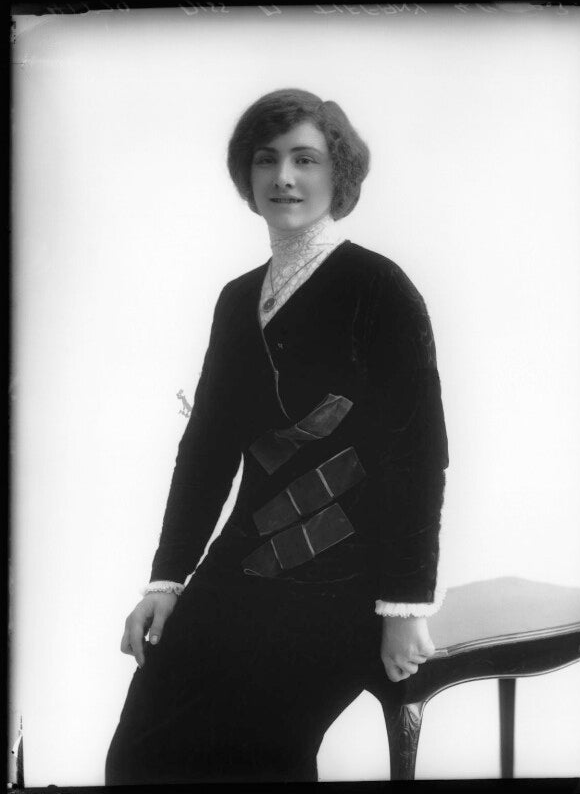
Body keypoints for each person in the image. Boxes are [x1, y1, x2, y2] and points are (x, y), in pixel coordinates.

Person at [105, 88, 449, 784]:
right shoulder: (238, 299)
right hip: (241, 570)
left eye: (305, 159)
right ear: (248, 174)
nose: (283, 177)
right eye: (266, 159)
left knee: (256, 751)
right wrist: (168, 579)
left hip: (347, 587)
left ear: (337, 173)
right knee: (141, 750)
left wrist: (403, 607)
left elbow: (418, 457)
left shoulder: (380, 288)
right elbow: (207, 450)